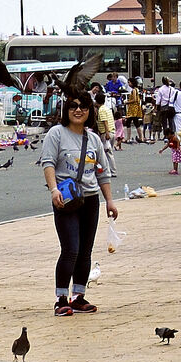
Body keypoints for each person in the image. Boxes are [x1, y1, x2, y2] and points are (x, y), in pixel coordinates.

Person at [41, 93, 117, 315]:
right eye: (73, 106)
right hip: (65, 198)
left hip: (90, 198)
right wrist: (54, 189)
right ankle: (61, 298)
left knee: (85, 251)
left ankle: (78, 296)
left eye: (83, 106)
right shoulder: (56, 134)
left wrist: (110, 201)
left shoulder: (93, 139)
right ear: (66, 110)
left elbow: (103, 172)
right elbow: (48, 163)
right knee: (71, 249)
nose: (78, 110)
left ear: (89, 111)